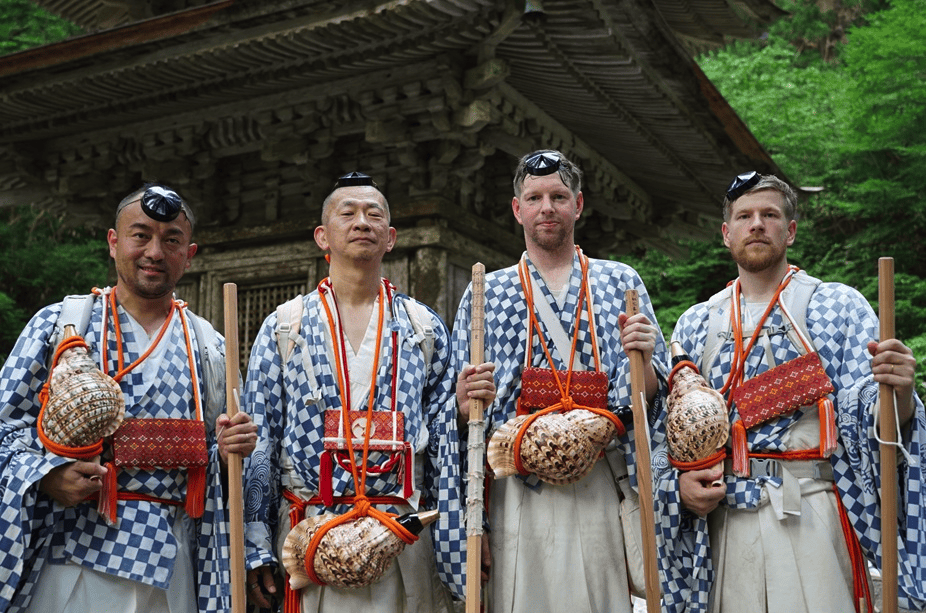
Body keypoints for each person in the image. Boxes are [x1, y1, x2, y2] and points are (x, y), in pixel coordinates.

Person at [661, 171, 926, 613]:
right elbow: (670, 433)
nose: (757, 224)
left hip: (812, 509)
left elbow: (873, 422)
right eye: (744, 216)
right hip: (726, 519)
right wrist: (682, 483)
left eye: (770, 215)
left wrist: (899, 392)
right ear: (726, 234)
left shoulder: (838, 306)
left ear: (791, 231)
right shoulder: (696, 323)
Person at [0, 183, 258, 613]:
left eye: (171, 240)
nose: (154, 252)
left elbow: (223, 456)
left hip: (174, 558)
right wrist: (47, 476)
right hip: (77, 553)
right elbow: (4, 427)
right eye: (140, 235)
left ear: (189, 254)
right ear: (113, 241)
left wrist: (231, 449)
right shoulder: (62, 325)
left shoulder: (210, 345)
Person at [242, 172, 483, 613]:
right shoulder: (284, 327)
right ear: (322, 236)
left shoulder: (423, 328)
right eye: (347, 213)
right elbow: (261, 439)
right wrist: (255, 544)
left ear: (390, 238)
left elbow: (444, 441)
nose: (361, 222)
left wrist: (460, 414)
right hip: (310, 531)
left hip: (401, 529)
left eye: (374, 215)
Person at [450, 149, 669, 613]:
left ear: (578, 204)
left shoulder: (619, 281)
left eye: (558, 197)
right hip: (516, 483)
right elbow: (462, 416)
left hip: (599, 475)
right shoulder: (487, 291)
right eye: (534, 198)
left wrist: (646, 359)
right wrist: (464, 402)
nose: (546, 208)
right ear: (517, 209)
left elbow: (649, 398)